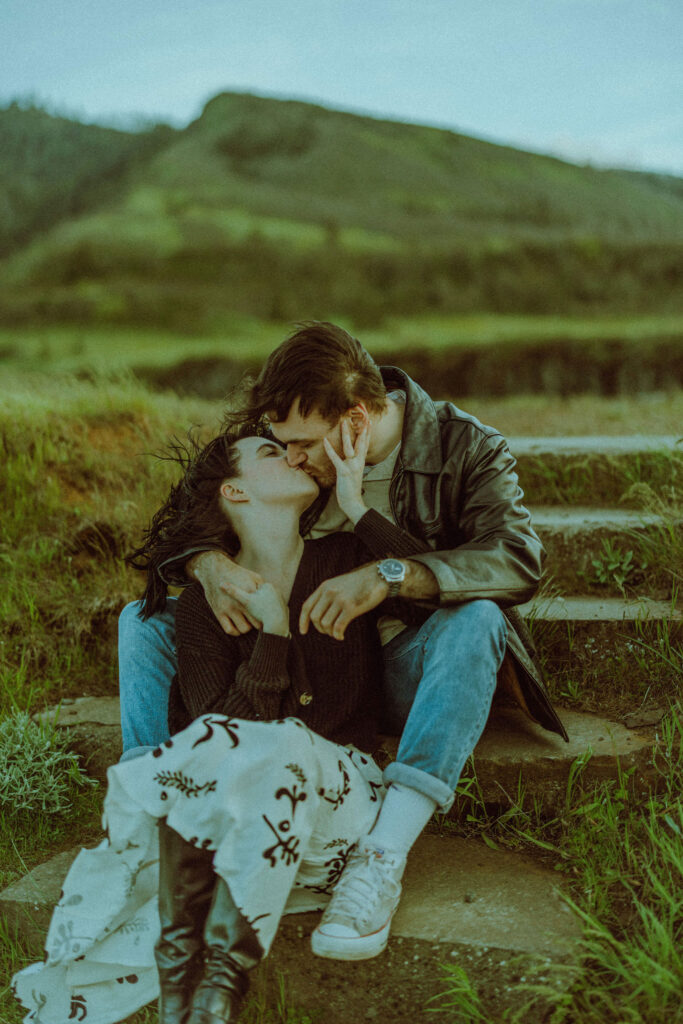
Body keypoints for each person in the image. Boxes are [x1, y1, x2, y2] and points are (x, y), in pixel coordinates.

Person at [118, 322, 567, 962]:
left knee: (479, 622)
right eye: (280, 446)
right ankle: (143, 819)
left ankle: (381, 860)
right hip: (296, 659)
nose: (292, 458)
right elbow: (199, 502)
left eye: (301, 445)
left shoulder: (467, 447)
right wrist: (205, 563)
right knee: (140, 622)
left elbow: (517, 561)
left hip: (408, 668)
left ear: (355, 419)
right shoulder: (289, 438)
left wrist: (388, 574)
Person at [13, 425, 440, 1024]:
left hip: (338, 809)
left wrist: (354, 504)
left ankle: (206, 980)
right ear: (235, 493)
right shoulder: (201, 607)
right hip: (252, 816)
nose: (294, 454)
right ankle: (202, 998)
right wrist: (272, 635)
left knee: (279, 743)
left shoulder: (346, 562)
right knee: (225, 749)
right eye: (270, 451)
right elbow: (223, 740)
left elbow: (430, 578)